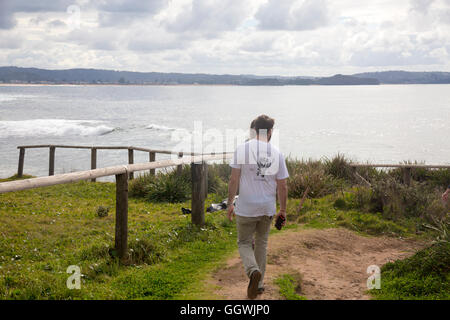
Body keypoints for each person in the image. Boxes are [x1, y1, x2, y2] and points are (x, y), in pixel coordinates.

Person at [227, 114, 289, 299]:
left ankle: (253, 271)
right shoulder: (277, 153)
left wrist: (230, 203)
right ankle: (259, 285)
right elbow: (283, 185)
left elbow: (233, 179)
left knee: (244, 242)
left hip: (246, 207)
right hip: (267, 208)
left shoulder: (241, 149)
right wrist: (283, 210)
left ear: (255, 131)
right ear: (270, 132)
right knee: (262, 243)